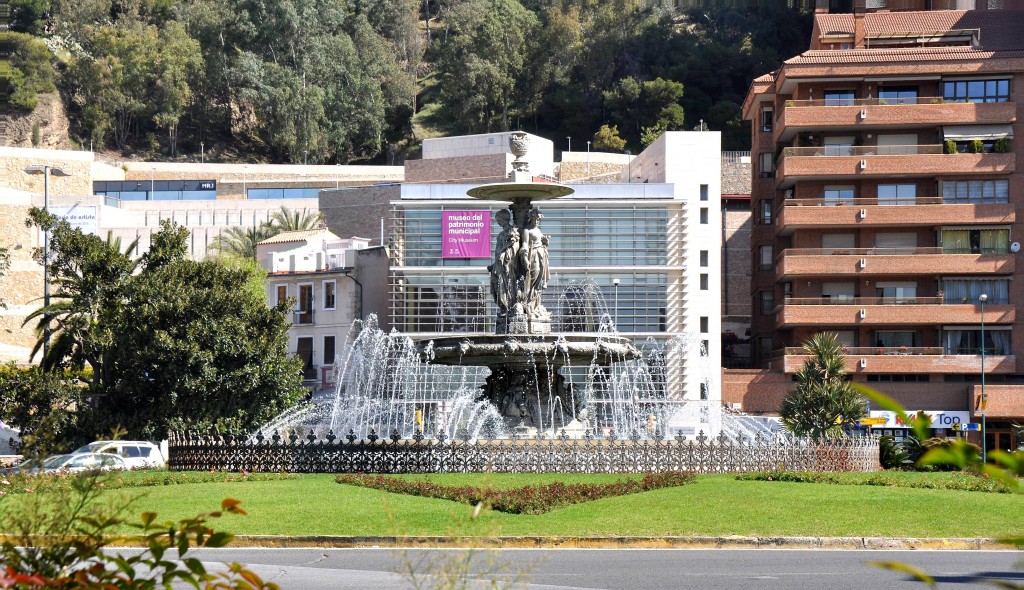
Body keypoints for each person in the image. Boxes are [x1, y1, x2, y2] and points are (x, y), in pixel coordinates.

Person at [488, 209, 519, 315]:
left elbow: (514, 249)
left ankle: (508, 305)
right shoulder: (501, 234)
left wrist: (504, 252)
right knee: (495, 284)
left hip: (507, 264)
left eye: (500, 220)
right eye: (498, 221)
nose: (498, 223)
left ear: (505, 219)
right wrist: (493, 264)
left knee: (505, 284)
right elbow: (498, 251)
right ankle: (503, 306)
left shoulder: (513, 232)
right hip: (498, 264)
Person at [519, 208, 549, 313]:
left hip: (542, 256)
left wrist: (545, 242)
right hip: (534, 256)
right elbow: (525, 244)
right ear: (531, 218)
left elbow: (541, 243)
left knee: (540, 281)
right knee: (533, 279)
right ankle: (528, 304)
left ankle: (536, 305)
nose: (537, 221)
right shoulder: (527, 230)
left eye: (538, 220)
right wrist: (525, 258)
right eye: (535, 219)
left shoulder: (538, 230)